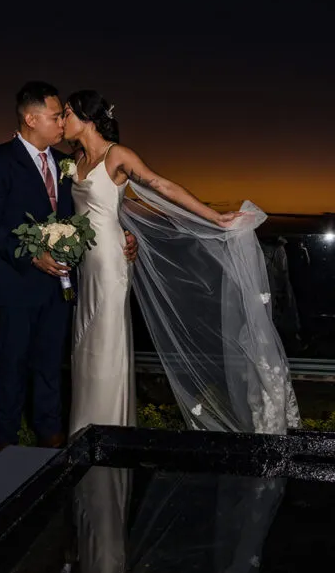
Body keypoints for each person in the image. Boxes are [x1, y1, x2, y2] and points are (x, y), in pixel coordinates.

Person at [62, 89, 300, 435]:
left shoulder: (118, 156)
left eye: (66, 112)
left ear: (86, 118)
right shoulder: (75, 160)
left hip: (111, 262)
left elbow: (162, 185)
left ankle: (107, 429)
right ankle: (82, 428)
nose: (61, 120)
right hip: (86, 264)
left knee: (107, 340)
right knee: (85, 343)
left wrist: (215, 218)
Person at [0, 82, 137, 451]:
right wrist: (31, 255)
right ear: (31, 119)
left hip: (60, 287)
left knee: (50, 368)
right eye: (55, 116)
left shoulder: (68, 164)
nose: (62, 123)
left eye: (64, 116)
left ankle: (51, 444)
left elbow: (93, 212)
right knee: (11, 369)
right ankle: (5, 448)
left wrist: (125, 234)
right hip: (15, 284)